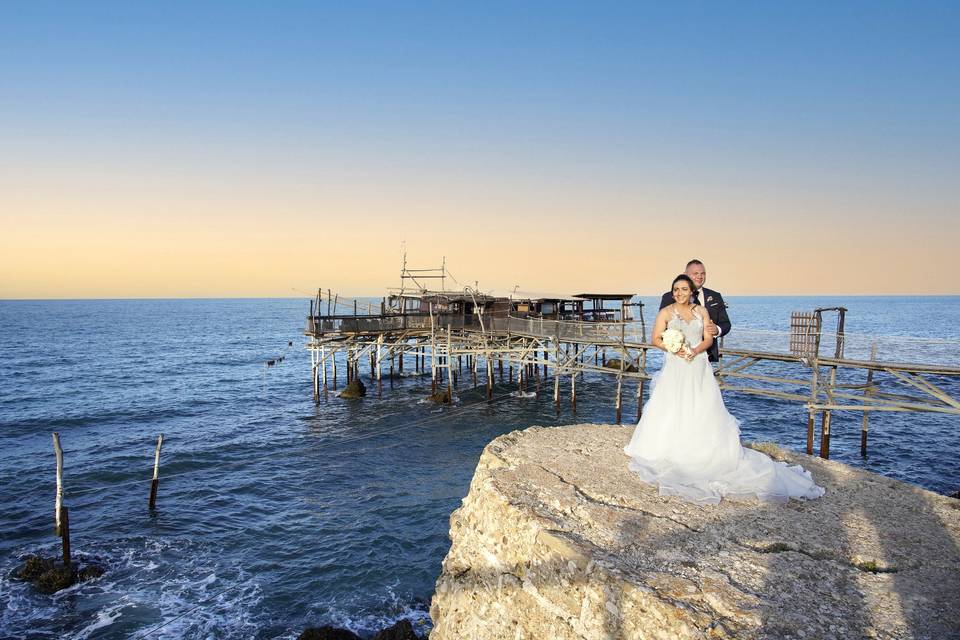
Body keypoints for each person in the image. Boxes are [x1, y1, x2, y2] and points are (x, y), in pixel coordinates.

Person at [625, 274, 824, 505]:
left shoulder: (701, 312)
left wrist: (695, 350)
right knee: (673, 405)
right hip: (676, 366)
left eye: (684, 289)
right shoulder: (666, 312)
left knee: (702, 405)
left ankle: (703, 449)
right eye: (676, 290)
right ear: (672, 292)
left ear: (691, 291)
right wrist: (674, 348)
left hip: (698, 364)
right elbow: (656, 339)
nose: (679, 293)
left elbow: (708, 339)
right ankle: (671, 447)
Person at [659, 259, 730, 362]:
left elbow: (726, 323)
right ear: (685, 275)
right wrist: (675, 347)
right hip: (678, 356)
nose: (700, 276)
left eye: (703, 273)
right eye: (695, 273)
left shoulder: (715, 296)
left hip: (707, 355)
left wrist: (717, 330)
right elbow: (662, 329)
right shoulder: (669, 297)